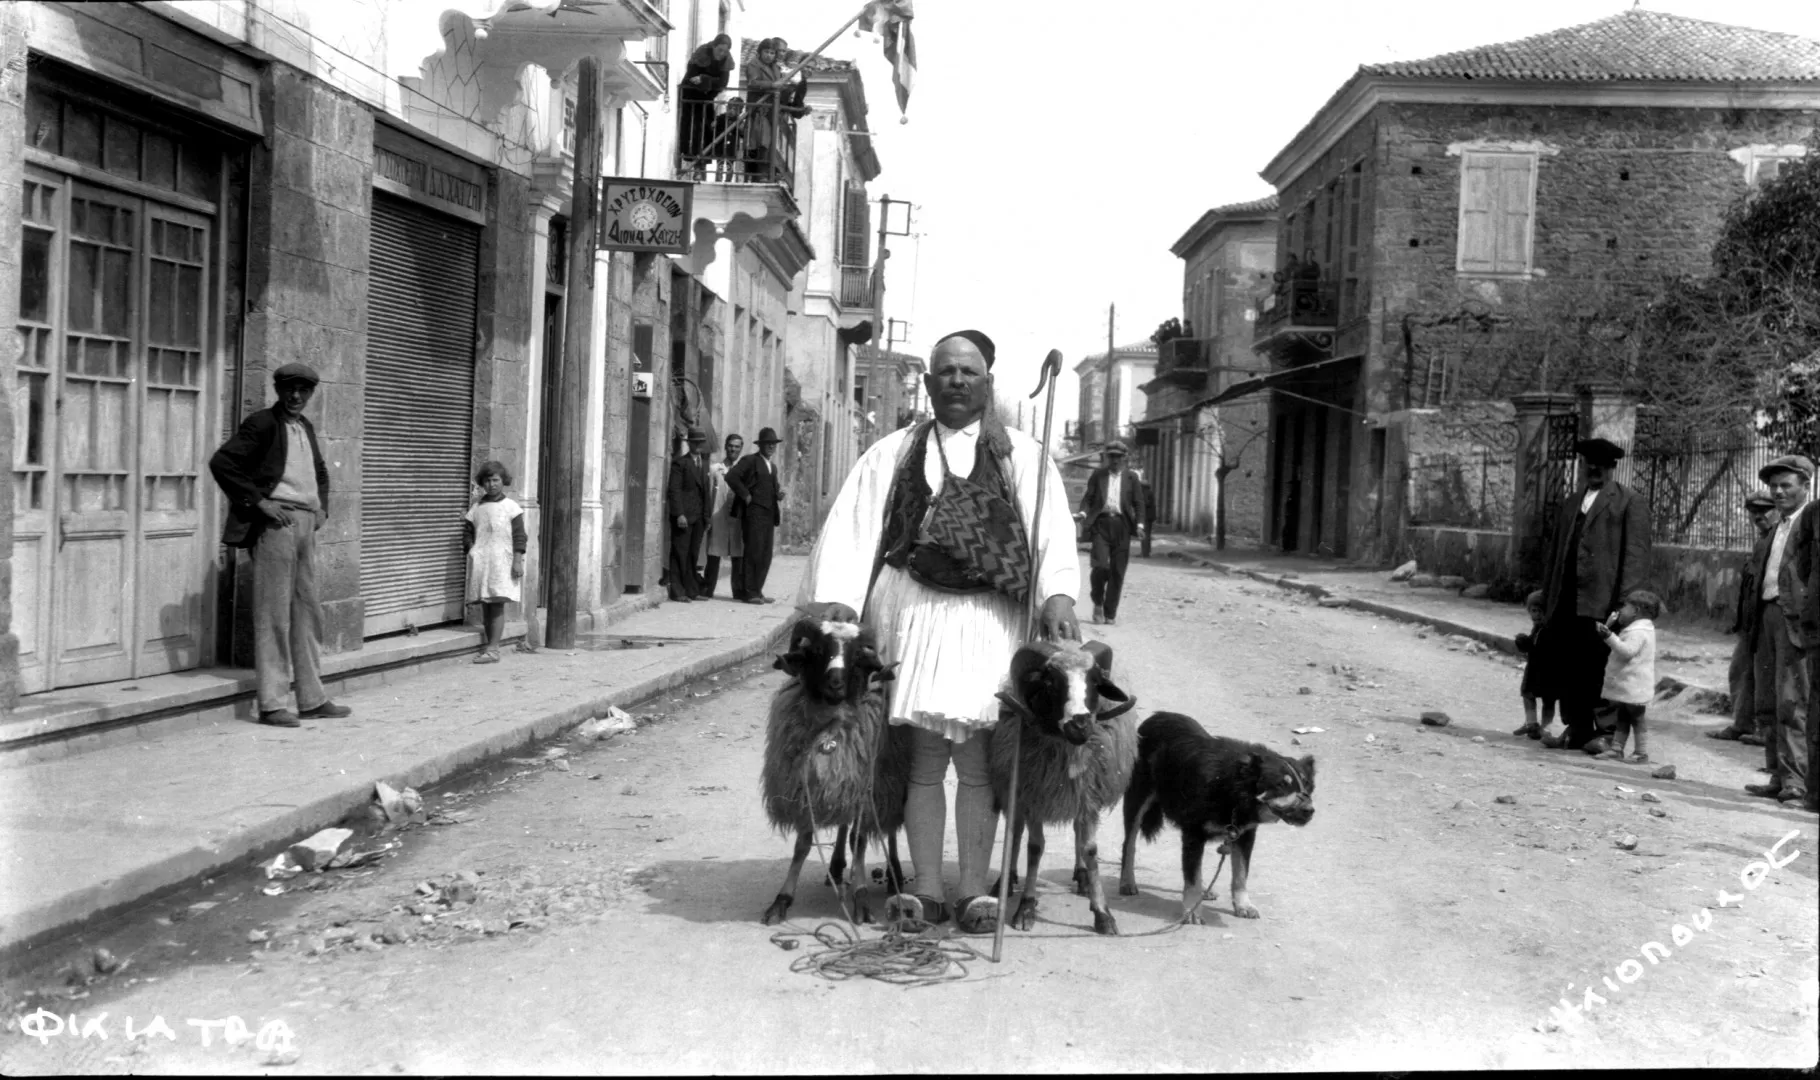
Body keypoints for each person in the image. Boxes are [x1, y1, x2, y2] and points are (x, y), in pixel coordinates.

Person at [794, 328, 1081, 935]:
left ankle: (974, 889)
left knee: (977, 764)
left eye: (968, 372)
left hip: (988, 620)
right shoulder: (892, 453)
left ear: (987, 383)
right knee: (923, 760)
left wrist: (1056, 591)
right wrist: (842, 603)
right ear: (927, 384)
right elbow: (853, 527)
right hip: (914, 614)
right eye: (945, 371)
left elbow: (1052, 528)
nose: (956, 380)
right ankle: (925, 888)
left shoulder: (1022, 457)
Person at [208, 363, 353, 728]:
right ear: (278, 389)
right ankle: (272, 703)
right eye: (289, 389)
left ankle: (312, 698)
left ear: (311, 393)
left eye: (303, 390)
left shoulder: (304, 426)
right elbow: (223, 462)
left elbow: (320, 471)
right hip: (276, 523)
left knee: (307, 611)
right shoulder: (262, 423)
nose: (296, 396)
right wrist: (259, 503)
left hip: (306, 523)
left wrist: (322, 508)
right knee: (273, 614)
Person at [1538, 438, 1652, 751]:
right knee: (1569, 666)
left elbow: (1636, 556)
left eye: (1601, 464)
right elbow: (1556, 555)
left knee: (1603, 667)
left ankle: (1606, 732)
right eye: (1588, 463)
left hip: (1604, 603)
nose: (1594, 469)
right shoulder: (1572, 502)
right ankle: (1576, 727)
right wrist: (1548, 598)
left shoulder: (1629, 501)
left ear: (1612, 467)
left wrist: (1626, 604)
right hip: (1567, 601)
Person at [1744, 455, 1814, 805]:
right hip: (1768, 616)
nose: (1778, 491)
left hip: (1795, 621)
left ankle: (1796, 782)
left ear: (1806, 485)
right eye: (1774, 486)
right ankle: (1777, 775)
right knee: (1768, 701)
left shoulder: (1811, 525)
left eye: (1786, 485)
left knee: (1792, 701)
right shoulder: (1776, 526)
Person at [1709, 490, 1780, 746]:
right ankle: (1743, 724)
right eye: (1754, 512)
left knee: (1765, 675)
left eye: (1765, 510)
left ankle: (1764, 731)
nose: (1759, 516)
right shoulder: (1762, 540)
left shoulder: (1779, 539)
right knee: (1742, 671)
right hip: (1751, 622)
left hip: (1768, 620)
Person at [464, 461, 526, 664]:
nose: (491, 485)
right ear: (482, 483)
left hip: (502, 561)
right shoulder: (477, 508)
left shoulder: (511, 508)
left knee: (497, 604)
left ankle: (493, 648)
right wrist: (471, 549)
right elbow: (468, 532)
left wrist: (517, 560)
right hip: (483, 561)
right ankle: (490, 645)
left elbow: (519, 537)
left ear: (503, 481)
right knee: (486, 604)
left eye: (495, 480)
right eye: (487, 481)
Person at [1078, 440, 1143, 625]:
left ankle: (1110, 612)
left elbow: (1138, 503)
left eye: (1118, 457)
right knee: (1100, 566)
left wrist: (1140, 525)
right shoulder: (1098, 475)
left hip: (1122, 526)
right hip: (1102, 524)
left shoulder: (1132, 477)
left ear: (1125, 458)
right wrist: (1083, 513)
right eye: (1111, 456)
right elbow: (1088, 498)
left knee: (1117, 571)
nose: (1115, 460)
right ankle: (1098, 601)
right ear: (1107, 457)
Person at [1592, 589, 1661, 763]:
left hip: (1635, 685)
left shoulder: (1639, 632)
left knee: (1637, 718)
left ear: (1636, 611)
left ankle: (1641, 752)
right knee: (1622, 716)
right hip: (1629, 684)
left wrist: (1608, 636)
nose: (1621, 610)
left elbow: (1626, 651)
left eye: (1625, 606)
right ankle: (1617, 748)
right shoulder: (1638, 629)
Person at [727, 426, 784, 604]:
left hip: (768, 516)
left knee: (765, 555)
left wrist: (778, 495)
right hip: (754, 515)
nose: (771, 447)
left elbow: (771, 489)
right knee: (753, 553)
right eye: (767, 444)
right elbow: (731, 477)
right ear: (761, 445)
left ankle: (758, 590)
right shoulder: (750, 461)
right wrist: (746, 495)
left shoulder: (772, 467)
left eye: (773, 444)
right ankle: (749, 592)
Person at [740, 38, 806, 182]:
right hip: (759, 107)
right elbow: (753, 82)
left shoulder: (775, 67)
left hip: (771, 108)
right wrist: (772, 85)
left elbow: (779, 84)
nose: (769, 55)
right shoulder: (753, 64)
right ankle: (760, 173)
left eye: (772, 52)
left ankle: (766, 171)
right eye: (766, 52)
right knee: (760, 139)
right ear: (760, 52)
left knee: (768, 141)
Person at [665, 427, 712, 603]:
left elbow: (706, 492)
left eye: (701, 442)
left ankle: (692, 590)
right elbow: (674, 490)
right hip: (684, 518)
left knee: (693, 554)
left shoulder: (704, 464)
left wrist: (707, 517)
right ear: (690, 443)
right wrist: (679, 514)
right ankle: (677, 591)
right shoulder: (680, 463)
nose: (698, 445)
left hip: (699, 517)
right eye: (695, 442)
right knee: (680, 553)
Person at [678, 34, 734, 164]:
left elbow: (723, 83)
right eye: (719, 49)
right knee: (691, 125)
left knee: (707, 126)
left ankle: (702, 159)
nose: (722, 54)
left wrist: (704, 79)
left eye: (725, 51)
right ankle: (688, 155)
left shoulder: (726, 60)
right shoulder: (702, 53)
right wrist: (709, 81)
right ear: (714, 46)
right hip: (691, 94)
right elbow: (692, 78)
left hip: (708, 96)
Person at [701, 433, 745, 599]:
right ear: (726, 447)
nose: (733, 449)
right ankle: (707, 589)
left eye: (737, 446)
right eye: (731, 446)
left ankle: (738, 591)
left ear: (741, 449)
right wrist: (707, 516)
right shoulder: (715, 469)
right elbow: (708, 494)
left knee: (737, 552)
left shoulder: (743, 470)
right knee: (714, 551)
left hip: (737, 518)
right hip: (718, 515)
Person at [1512, 590, 1558, 740]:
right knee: (1528, 694)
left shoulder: (1550, 629)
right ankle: (1531, 723)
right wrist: (1523, 643)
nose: (1536, 615)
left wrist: (1528, 645)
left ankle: (1546, 728)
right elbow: (1532, 645)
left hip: (1547, 669)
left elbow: (1540, 648)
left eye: (1539, 611)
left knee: (1548, 699)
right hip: (1535, 668)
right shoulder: (1537, 628)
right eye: (1533, 611)